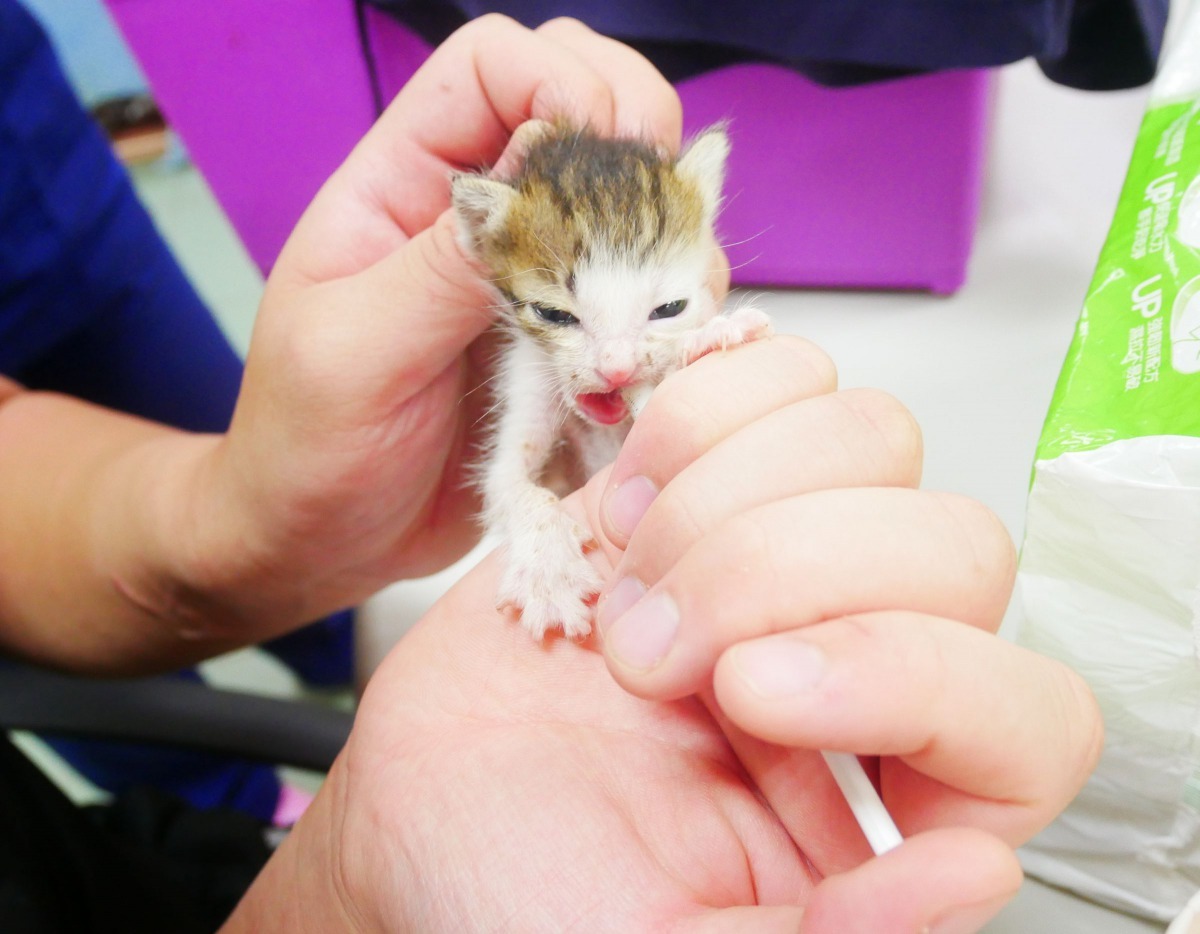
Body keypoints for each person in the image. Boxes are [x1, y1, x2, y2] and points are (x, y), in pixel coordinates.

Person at [0, 12, 1102, 933]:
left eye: (664, 308)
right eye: (560, 315)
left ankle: (323, 654)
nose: (612, 361)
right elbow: (512, 478)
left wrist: (236, 522)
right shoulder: (516, 323)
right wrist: (534, 544)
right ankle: (272, 776)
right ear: (482, 250)